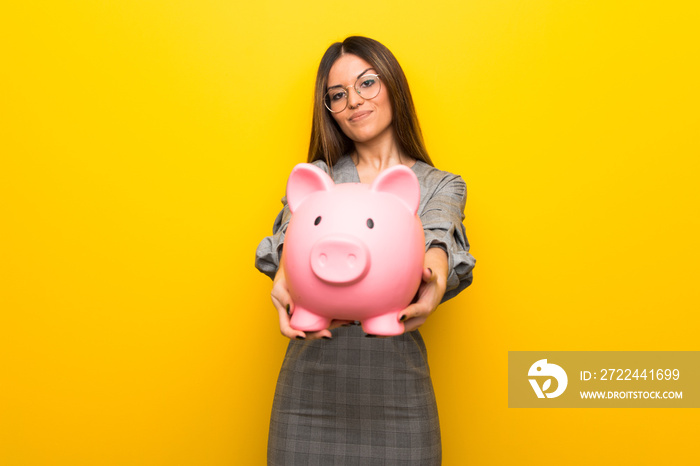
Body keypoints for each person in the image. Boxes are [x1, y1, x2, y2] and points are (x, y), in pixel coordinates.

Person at [255, 36, 475, 465]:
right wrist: (283, 280)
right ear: (330, 112)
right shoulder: (318, 176)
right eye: (338, 95)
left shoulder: (441, 185)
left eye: (367, 84)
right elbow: (291, 240)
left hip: (397, 394)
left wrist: (432, 280)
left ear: (393, 85)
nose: (354, 100)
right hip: (310, 393)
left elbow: (437, 241)